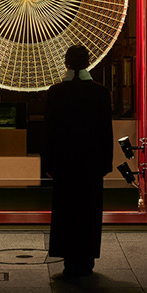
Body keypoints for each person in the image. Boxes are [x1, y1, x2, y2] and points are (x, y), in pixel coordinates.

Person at [42, 44, 114, 277]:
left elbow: (49, 131)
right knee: (89, 211)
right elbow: (106, 132)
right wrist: (105, 162)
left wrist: (48, 163)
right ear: (88, 62)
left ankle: (69, 260)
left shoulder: (56, 92)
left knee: (66, 210)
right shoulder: (101, 93)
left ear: (66, 63)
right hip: (91, 162)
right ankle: (87, 259)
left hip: (65, 161)